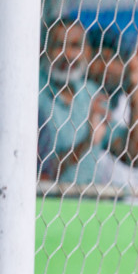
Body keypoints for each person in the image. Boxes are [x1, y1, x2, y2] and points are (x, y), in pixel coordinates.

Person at [87, 26, 138, 189]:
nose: (107, 66)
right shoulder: (81, 102)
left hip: (132, 204)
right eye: (100, 58)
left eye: (115, 59)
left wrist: (137, 93)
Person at [38, 16, 112, 185]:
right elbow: (44, 170)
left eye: (75, 46)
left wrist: (136, 98)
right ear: (44, 49)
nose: (68, 55)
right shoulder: (34, 96)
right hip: (49, 202)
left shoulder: (92, 94)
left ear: (88, 51)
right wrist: (88, 141)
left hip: (91, 205)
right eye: (59, 46)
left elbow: (133, 156)